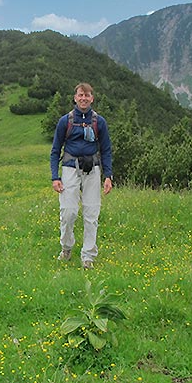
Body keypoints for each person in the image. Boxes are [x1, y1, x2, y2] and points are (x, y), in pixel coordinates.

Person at [49, 82, 113, 269]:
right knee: (68, 212)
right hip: (70, 168)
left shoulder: (99, 122)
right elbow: (55, 151)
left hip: (93, 169)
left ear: (92, 98)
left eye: (87, 95)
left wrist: (108, 176)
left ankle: (88, 256)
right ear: (75, 98)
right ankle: (66, 247)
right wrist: (55, 177)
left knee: (91, 213)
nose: (83, 98)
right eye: (80, 95)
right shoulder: (65, 121)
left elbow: (106, 150)